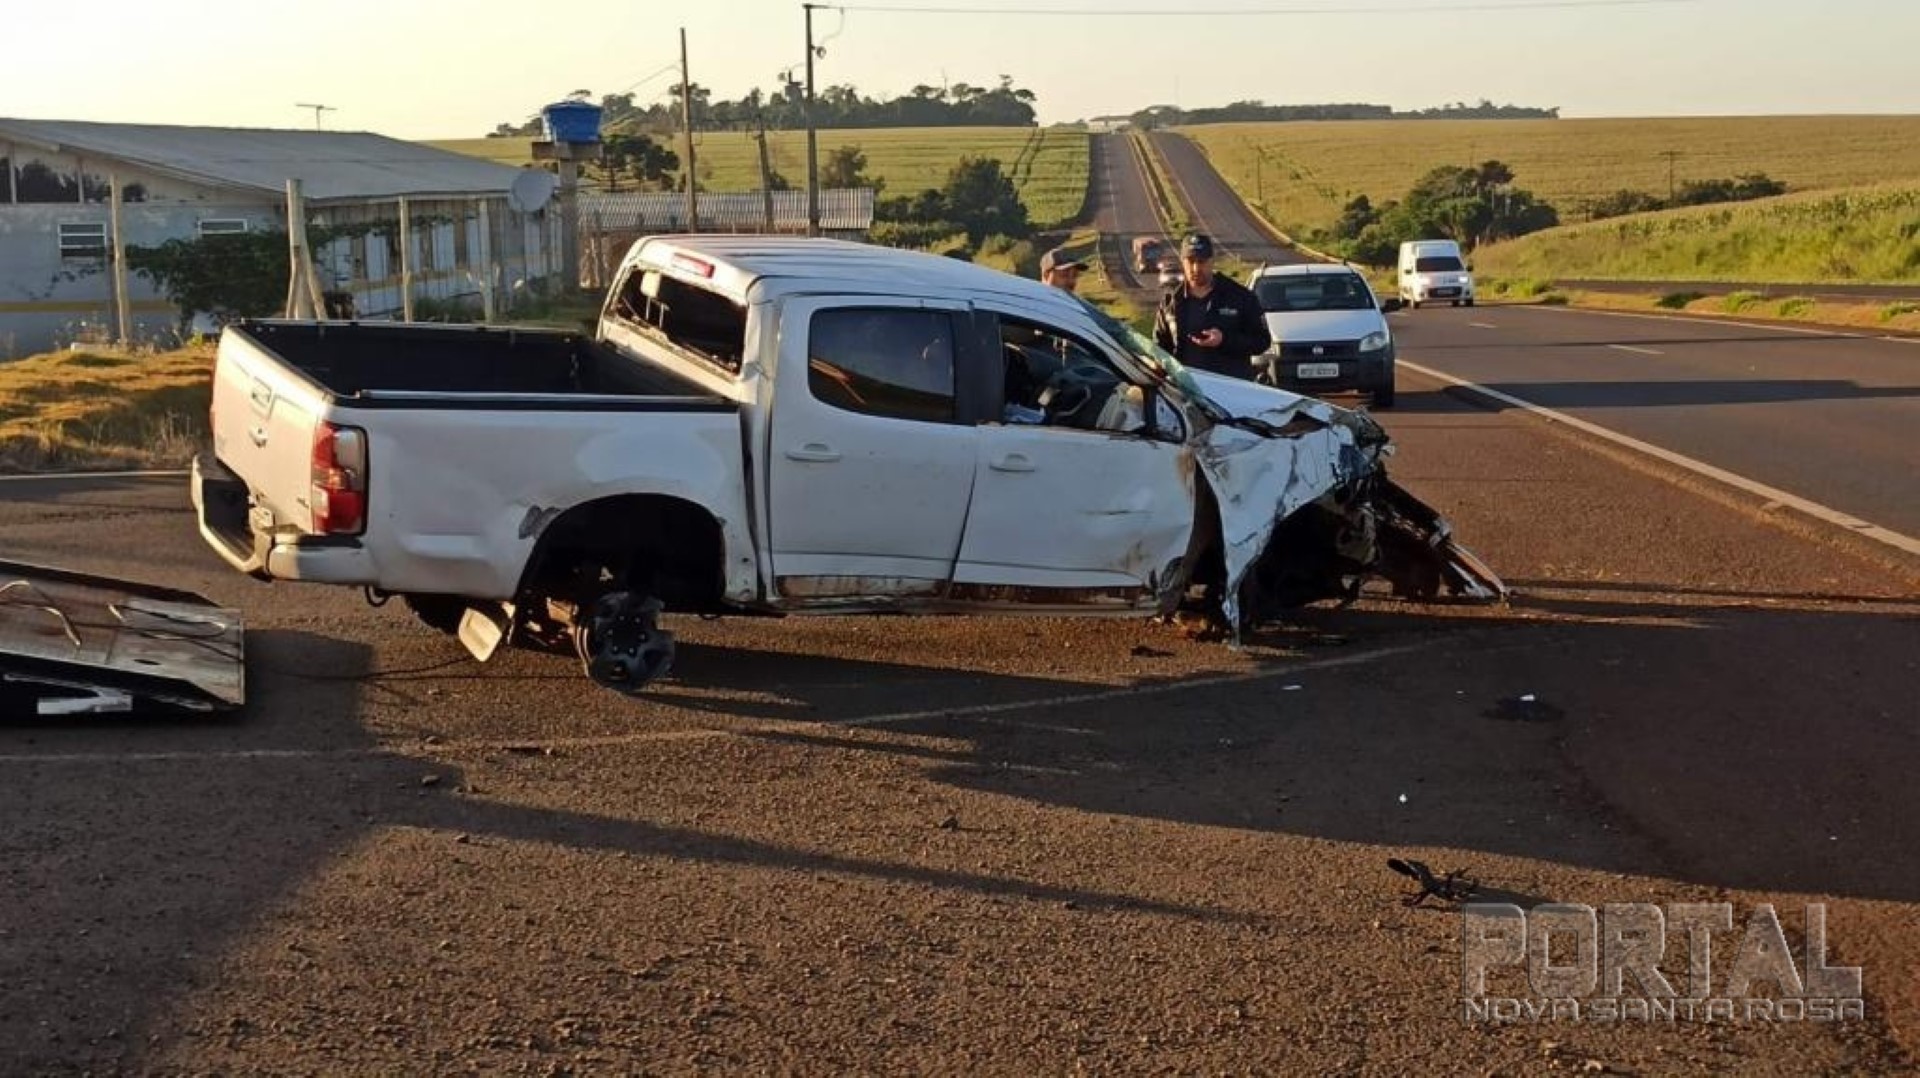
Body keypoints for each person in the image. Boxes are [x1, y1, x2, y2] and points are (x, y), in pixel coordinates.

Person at [1152, 233, 1271, 379]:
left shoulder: (1240, 297)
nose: (1196, 268)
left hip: (1229, 390)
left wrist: (1224, 340)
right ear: (1182, 261)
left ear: (1212, 261)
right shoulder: (1170, 302)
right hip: (1186, 391)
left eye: (1202, 261)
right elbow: (1159, 348)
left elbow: (1262, 342)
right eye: (1190, 261)